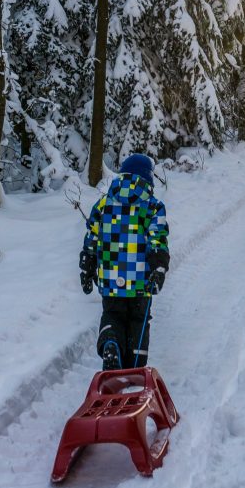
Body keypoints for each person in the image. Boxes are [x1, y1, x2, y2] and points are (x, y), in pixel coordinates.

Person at [79, 153, 169, 370]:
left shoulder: (103, 205)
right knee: (138, 320)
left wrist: (87, 267)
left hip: (110, 279)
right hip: (140, 281)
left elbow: (91, 238)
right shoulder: (152, 206)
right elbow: (157, 240)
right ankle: (135, 368)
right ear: (147, 178)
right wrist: (158, 268)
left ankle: (111, 343)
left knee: (112, 315)